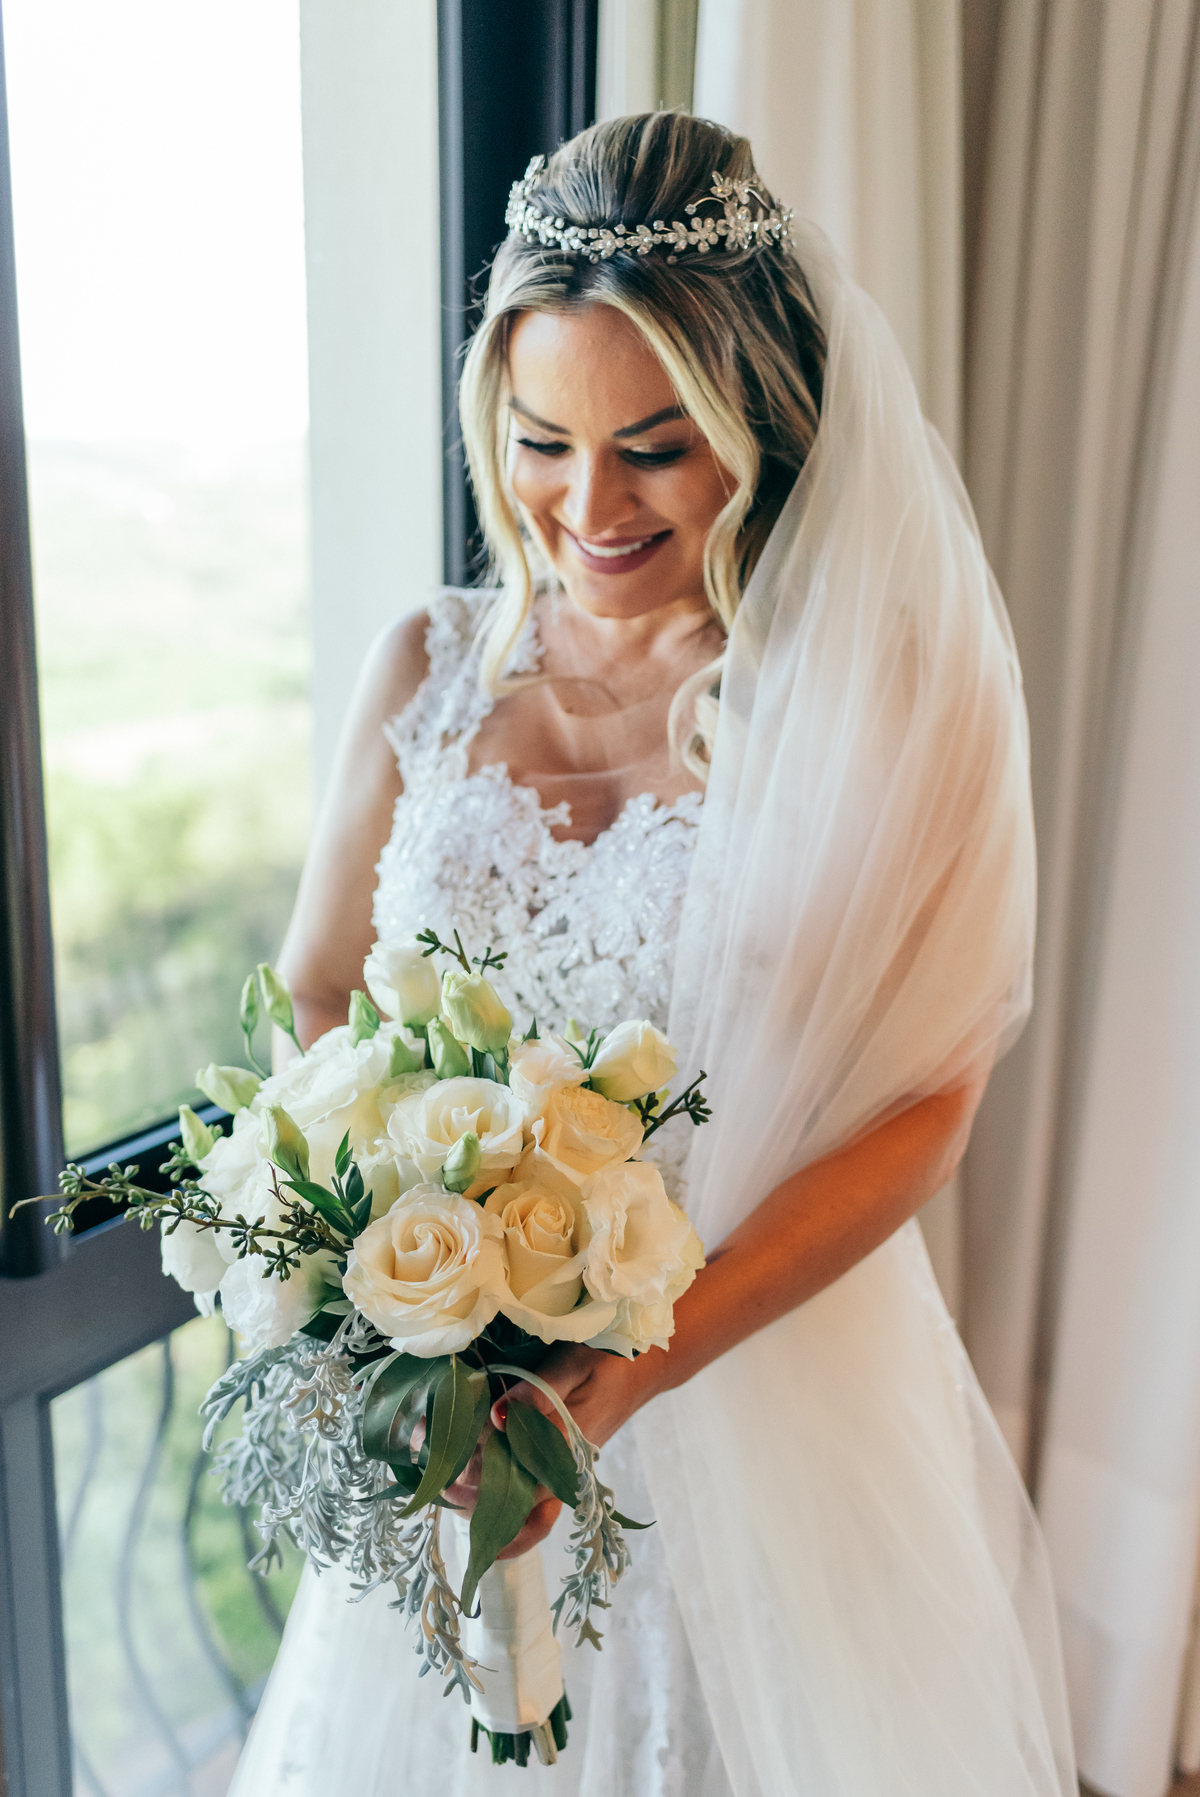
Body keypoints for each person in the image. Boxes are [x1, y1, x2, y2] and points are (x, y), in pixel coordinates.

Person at [230, 112, 1076, 1796]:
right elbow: (323, 988)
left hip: (764, 1378)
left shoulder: (876, 702)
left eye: (657, 449)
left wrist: (620, 1376)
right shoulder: (432, 662)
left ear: (762, 425)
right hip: (470, 1397)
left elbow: (929, 1103)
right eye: (541, 439)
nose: (585, 507)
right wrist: (387, 1270)